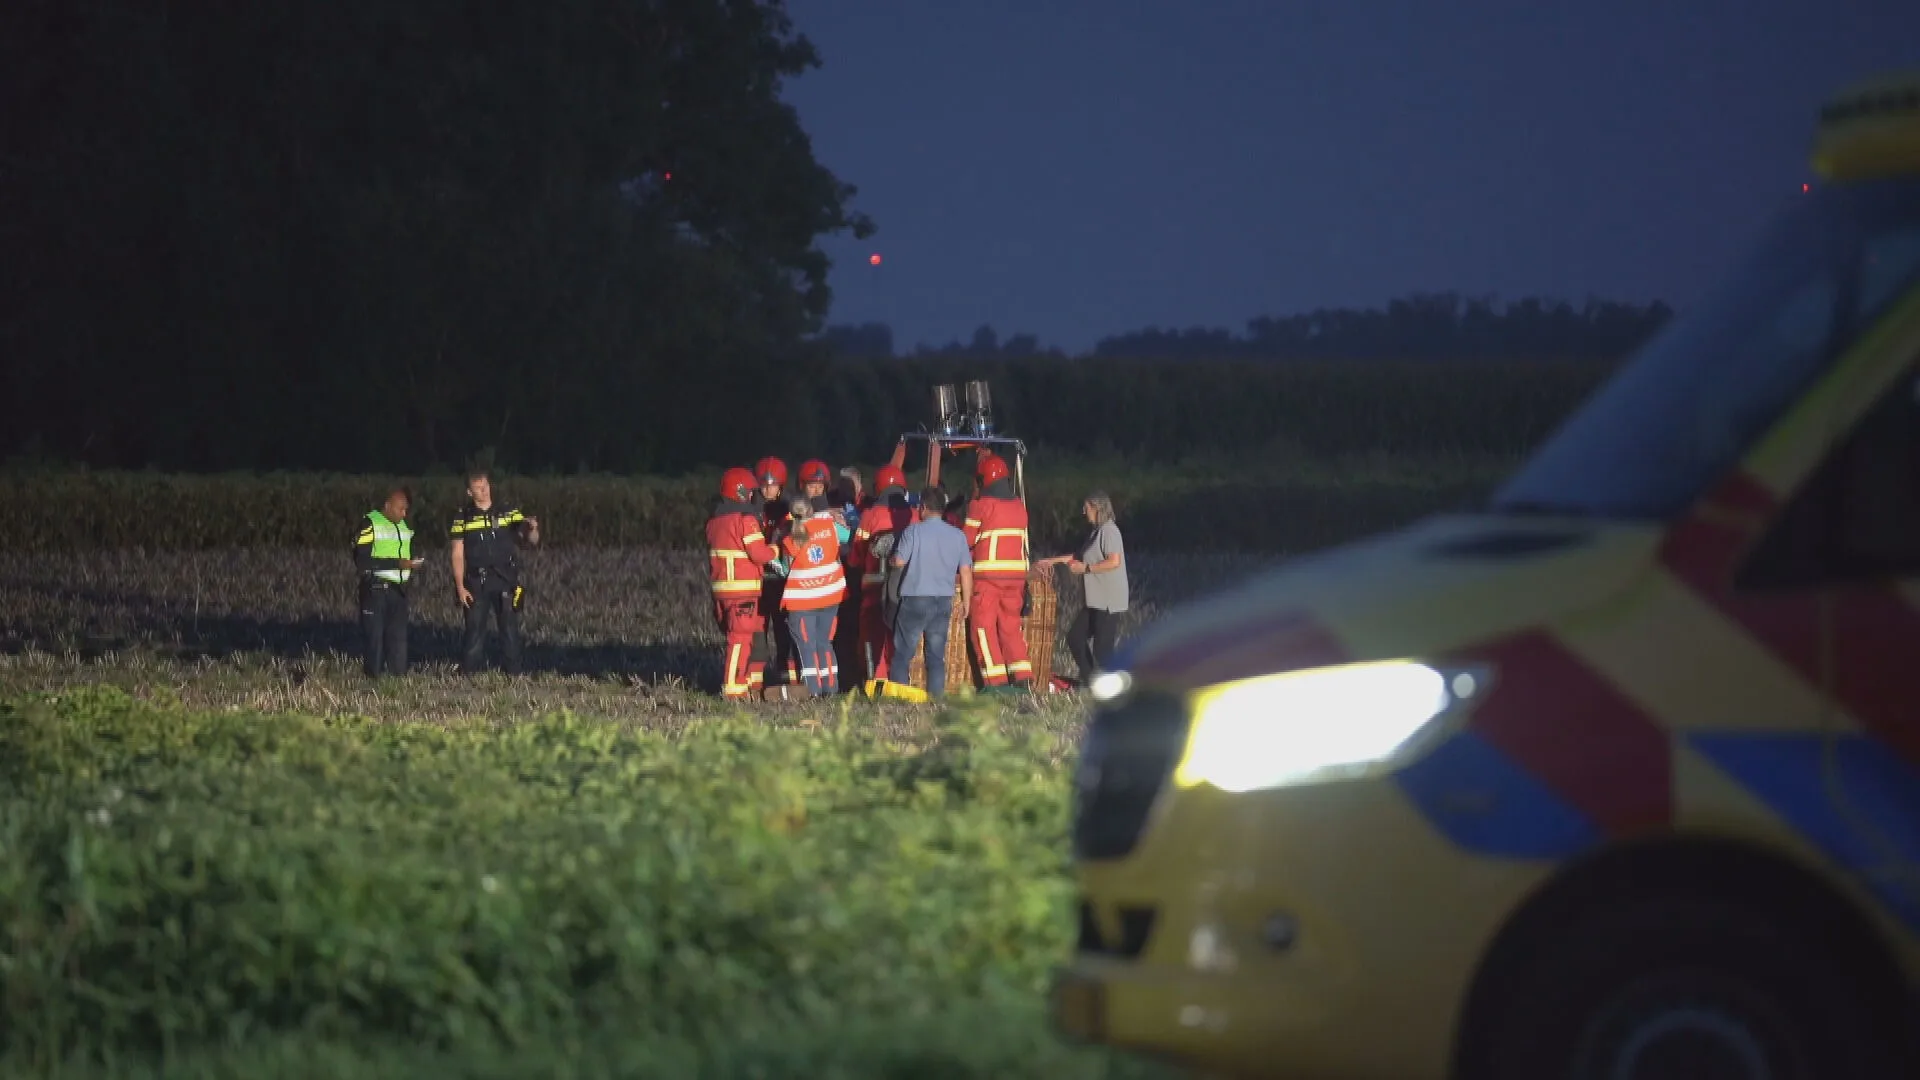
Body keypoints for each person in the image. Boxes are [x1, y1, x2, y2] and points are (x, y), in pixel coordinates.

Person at [449, 467, 540, 675]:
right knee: (474, 631)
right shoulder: (462, 518)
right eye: (479, 488)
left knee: (510, 630)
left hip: (505, 579)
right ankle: (469, 674)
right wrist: (460, 586)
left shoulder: (507, 511)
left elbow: (530, 541)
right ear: (469, 492)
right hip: (476, 581)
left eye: (486, 486)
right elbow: (457, 553)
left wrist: (532, 529)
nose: (484, 491)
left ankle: (514, 673)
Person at [889, 487, 974, 698]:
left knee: (903, 654)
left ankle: (899, 699)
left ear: (923, 508)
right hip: (942, 601)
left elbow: (899, 562)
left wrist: (890, 558)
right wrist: (966, 601)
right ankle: (936, 700)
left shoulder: (913, 531)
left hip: (915, 599)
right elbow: (965, 570)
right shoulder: (958, 535)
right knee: (935, 657)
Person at [960, 452, 1034, 691]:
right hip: (1016, 578)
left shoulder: (980, 505)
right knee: (1010, 627)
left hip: (988, 577)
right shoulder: (1019, 507)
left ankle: (996, 684)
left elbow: (965, 541)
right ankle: (1023, 677)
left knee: (982, 628)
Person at [1038, 491, 1129, 683]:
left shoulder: (1109, 531)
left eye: (1086, 507)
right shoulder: (1096, 533)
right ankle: (1089, 680)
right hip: (1094, 600)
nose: (1083, 511)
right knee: (1075, 638)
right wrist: (1050, 561)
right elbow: (1077, 557)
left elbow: (1114, 562)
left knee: (1103, 650)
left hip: (1108, 600)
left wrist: (1086, 569)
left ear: (1097, 508)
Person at [707, 467, 780, 699]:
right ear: (740, 492)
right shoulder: (745, 520)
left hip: (721, 589)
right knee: (739, 640)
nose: (752, 496)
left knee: (739, 638)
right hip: (742, 590)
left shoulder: (715, 522)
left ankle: (744, 682)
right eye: (749, 492)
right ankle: (734, 689)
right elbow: (758, 553)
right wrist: (777, 549)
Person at [353, 487, 427, 678]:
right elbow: (362, 560)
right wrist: (398, 564)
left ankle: (396, 683)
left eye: (406, 510)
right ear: (387, 506)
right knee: (374, 640)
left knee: (398, 643)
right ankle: (372, 684)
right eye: (400, 509)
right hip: (376, 589)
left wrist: (412, 562)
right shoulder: (370, 523)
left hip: (398, 591)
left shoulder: (403, 527)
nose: (404, 514)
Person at [780, 494, 849, 696]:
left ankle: (813, 691)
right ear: (812, 510)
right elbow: (848, 536)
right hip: (831, 595)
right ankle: (831, 688)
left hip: (802, 601)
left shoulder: (789, 539)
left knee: (807, 646)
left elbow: (785, 570)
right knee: (824, 643)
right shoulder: (830, 527)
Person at [853, 464, 910, 682]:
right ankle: (899, 679)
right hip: (904, 588)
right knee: (899, 634)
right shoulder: (914, 514)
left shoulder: (870, 515)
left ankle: (877, 681)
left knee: (872, 635)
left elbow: (857, 553)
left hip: (873, 588)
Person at [754, 456, 799, 686]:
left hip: (782, 579)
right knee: (756, 631)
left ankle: (788, 679)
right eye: (764, 485)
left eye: (771, 485)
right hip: (759, 579)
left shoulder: (789, 508)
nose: (767, 489)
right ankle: (755, 681)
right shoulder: (753, 508)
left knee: (785, 631)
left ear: (780, 485)